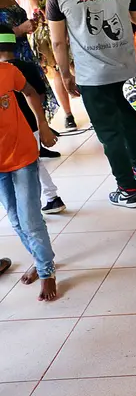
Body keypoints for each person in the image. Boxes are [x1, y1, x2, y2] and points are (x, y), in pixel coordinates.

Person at [46, 0, 136, 206]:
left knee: (109, 133)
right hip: (127, 68)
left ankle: (127, 191)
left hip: (91, 75)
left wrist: (65, 75)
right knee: (132, 122)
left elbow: (58, 42)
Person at [0, 51, 60, 302]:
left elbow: (31, 92)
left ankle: (47, 271)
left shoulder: (7, 72)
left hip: (22, 154)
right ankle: (39, 258)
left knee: (30, 219)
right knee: (15, 218)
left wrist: (42, 125)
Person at [0, 27, 65, 214]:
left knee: (30, 165)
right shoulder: (27, 67)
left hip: (14, 129)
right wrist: (41, 122)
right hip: (32, 123)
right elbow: (40, 95)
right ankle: (51, 197)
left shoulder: (6, 72)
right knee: (33, 161)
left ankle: (49, 198)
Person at [0, 0, 60, 154]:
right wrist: (18, 30)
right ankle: (30, 143)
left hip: (24, 51)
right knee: (18, 101)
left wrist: (30, 24)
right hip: (7, 56)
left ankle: (40, 135)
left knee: (36, 92)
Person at [22, 0, 75, 130]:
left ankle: (91, 107)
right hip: (47, 26)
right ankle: (68, 114)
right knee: (58, 69)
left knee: (78, 67)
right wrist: (55, 21)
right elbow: (35, 4)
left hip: (72, 24)